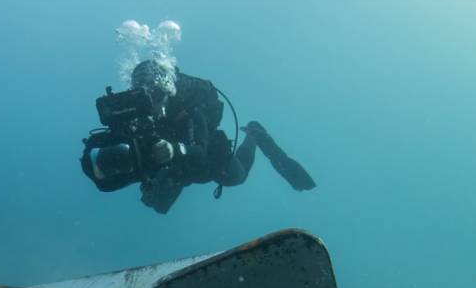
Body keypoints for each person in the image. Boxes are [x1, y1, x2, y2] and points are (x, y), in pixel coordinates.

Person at [80, 59, 316, 214]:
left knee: (237, 177)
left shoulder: (189, 109)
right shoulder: (133, 117)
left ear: (166, 90)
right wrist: (100, 158)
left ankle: (254, 135)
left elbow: (200, 150)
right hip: (175, 170)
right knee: (158, 205)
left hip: (207, 158)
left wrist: (175, 150)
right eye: (144, 94)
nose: (152, 101)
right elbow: (99, 166)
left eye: (156, 93)